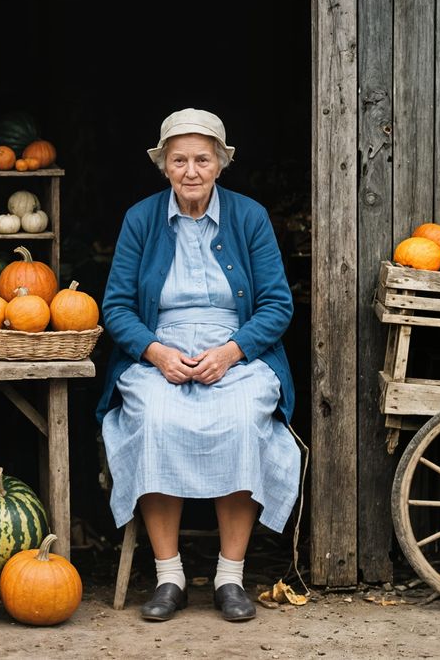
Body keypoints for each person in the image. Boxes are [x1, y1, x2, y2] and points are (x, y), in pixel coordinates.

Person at [98, 108, 300, 622]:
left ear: (220, 164)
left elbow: (277, 303)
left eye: (202, 160)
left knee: (240, 420)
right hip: (159, 345)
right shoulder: (141, 219)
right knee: (155, 421)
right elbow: (116, 305)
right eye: (180, 159)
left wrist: (232, 351)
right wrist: (155, 352)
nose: (191, 171)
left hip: (233, 348)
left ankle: (230, 578)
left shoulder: (249, 217)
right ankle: (170, 576)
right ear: (164, 164)